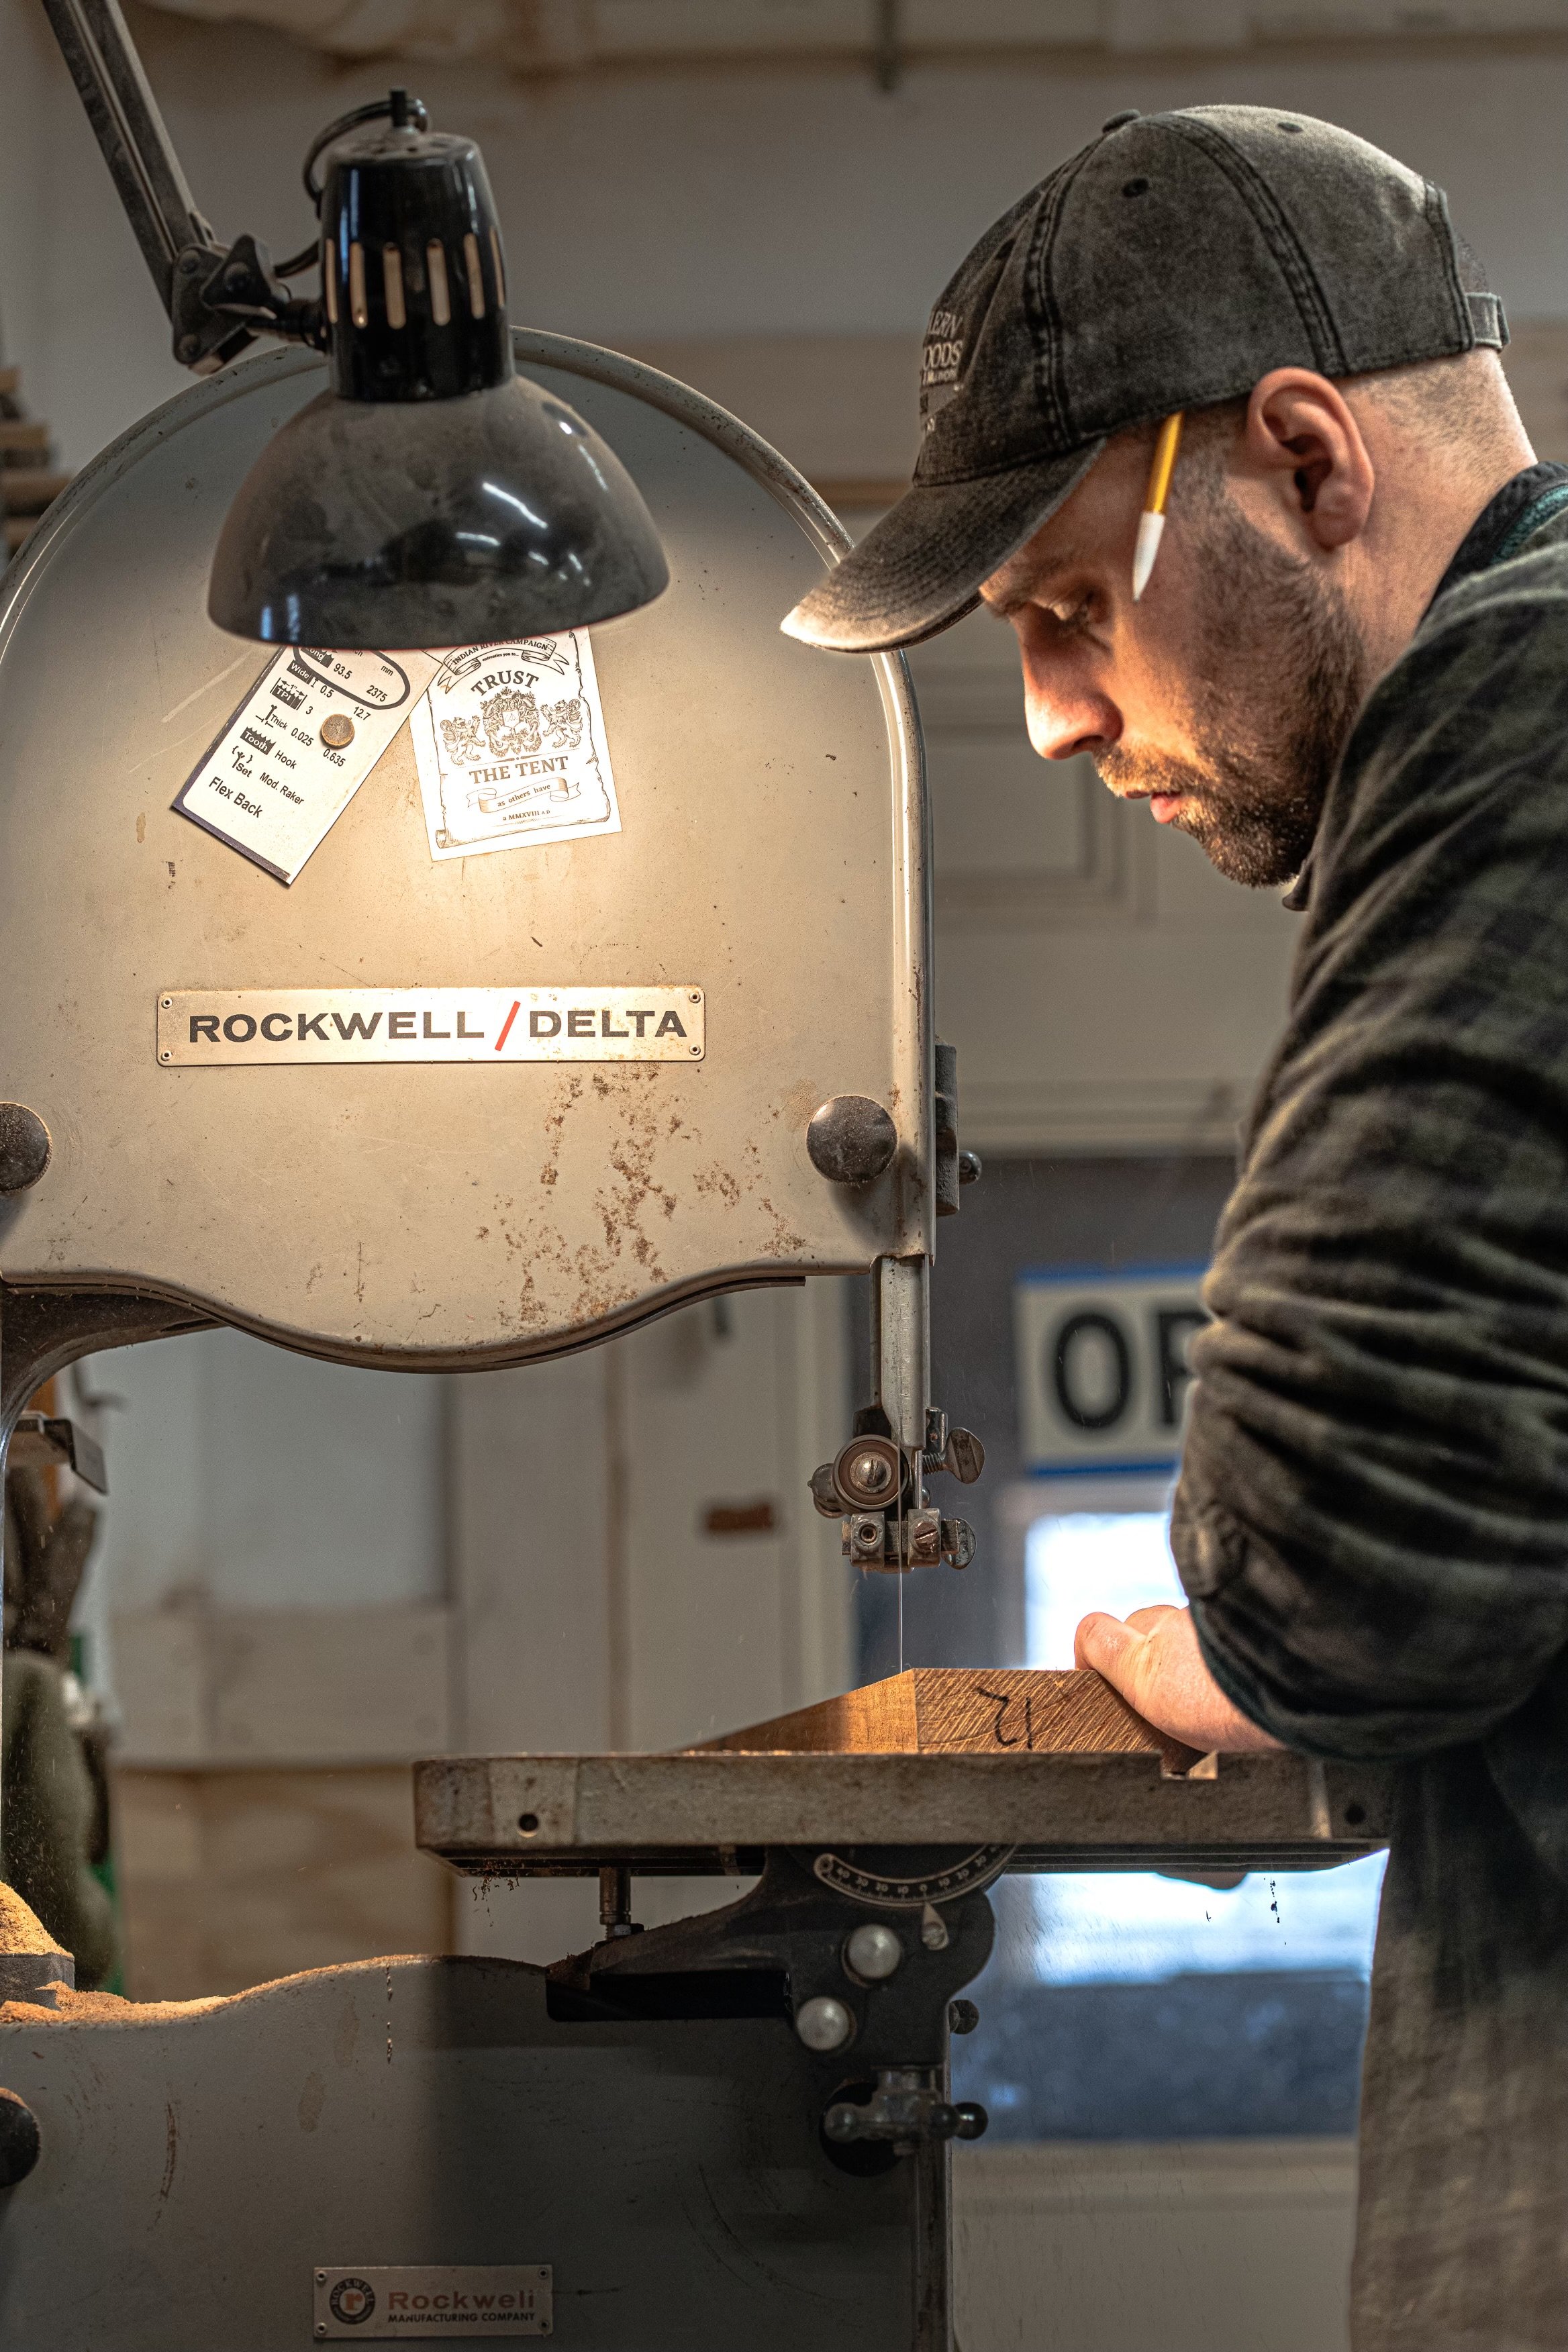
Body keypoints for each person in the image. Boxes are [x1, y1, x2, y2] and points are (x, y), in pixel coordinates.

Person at [783, 103, 1568, 2352]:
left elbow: (1350, 1551)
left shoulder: (1524, 699)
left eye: (1060, 607)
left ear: (1309, 460)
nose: (1043, 719)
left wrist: (1230, 1649)